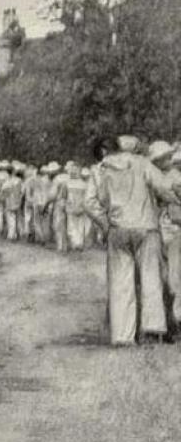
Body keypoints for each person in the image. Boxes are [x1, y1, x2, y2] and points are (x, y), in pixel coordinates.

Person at [85, 135, 179, 345]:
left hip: (118, 228)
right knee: (150, 276)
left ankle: (122, 336)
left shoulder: (102, 169)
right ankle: (153, 329)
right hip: (146, 227)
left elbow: (93, 202)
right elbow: (163, 187)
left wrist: (106, 224)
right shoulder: (143, 164)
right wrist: (172, 199)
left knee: (120, 281)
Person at [150, 142, 181, 329]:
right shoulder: (156, 175)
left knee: (173, 274)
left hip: (173, 228)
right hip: (161, 227)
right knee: (165, 273)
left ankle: (175, 317)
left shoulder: (175, 178)